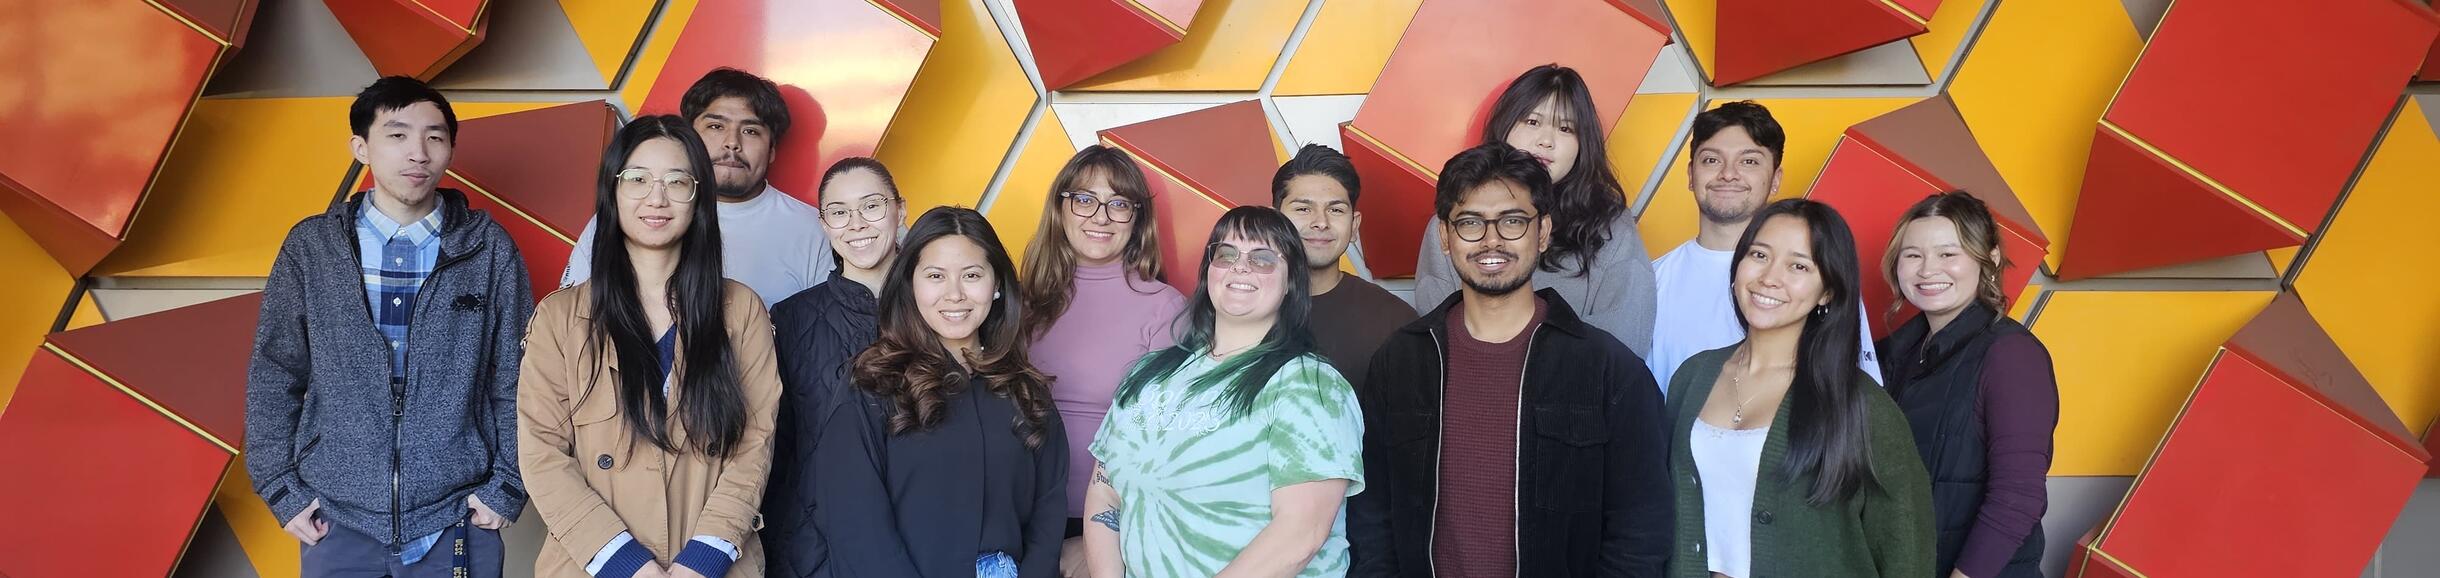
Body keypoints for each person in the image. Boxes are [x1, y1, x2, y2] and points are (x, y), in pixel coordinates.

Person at [245, 76, 531, 578]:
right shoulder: (313, 248)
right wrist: (281, 490)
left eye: (435, 137)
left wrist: (508, 485)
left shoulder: (489, 249)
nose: (418, 152)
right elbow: (275, 373)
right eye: (397, 135)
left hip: (458, 513)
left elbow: (519, 376)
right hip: (336, 515)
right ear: (361, 147)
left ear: (450, 149)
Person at [1351, 143, 1671, 577]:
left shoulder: (1609, 371)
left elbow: (1641, 530)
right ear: (1444, 237)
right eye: (1470, 223)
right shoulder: (1401, 361)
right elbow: (1372, 513)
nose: (1492, 240)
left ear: (1543, 232)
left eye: (1513, 221)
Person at [518, 115, 783, 578]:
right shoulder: (559, 317)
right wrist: (628, 566)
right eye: (638, 179)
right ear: (613, 191)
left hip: (712, 565)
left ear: (699, 197)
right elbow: (542, 454)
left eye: (677, 181)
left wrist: (701, 561)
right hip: (591, 565)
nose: (656, 198)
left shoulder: (741, 310)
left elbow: (755, 442)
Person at [1085, 206, 1365, 577]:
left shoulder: (1311, 386)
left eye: (1263, 259)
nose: (1240, 267)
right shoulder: (1149, 375)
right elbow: (1104, 493)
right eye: (1226, 254)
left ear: (1291, 282)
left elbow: (1300, 534)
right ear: (1208, 271)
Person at [1665, 198, 1933, 578]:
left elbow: (1906, 548)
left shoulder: (1862, 405)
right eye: (1759, 255)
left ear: (1827, 291)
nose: (1769, 277)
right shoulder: (1691, 376)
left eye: (1798, 266)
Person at [812, 206, 1068, 578]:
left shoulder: (1026, 391)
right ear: (910, 285)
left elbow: (1048, 513)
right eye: (935, 276)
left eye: (972, 275)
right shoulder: (873, 384)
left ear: (996, 284)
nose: (955, 294)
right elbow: (853, 520)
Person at [1410, 64, 1659, 358]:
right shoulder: (1455, 220)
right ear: (1504, 125)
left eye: (1565, 128)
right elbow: (1437, 333)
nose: (1546, 141)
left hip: (1580, 384)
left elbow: (1625, 341)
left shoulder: (1611, 227)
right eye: (1532, 122)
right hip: (1474, 378)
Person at [1016, 145, 1188, 569]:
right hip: (1017, 516)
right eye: (1085, 199)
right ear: (1060, 208)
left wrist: (1100, 538)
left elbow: (1167, 447)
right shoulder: (1020, 302)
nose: (1101, 217)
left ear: (1137, 219)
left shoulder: (1165, 308)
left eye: (1119, 204)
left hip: (1109, 523)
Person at [1875, 191, 2056, 578]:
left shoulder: (2011, 355)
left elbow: (2017, 497)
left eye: (1947, 254)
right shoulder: (1894, 355)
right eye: (1913, 255)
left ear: (1989, 258)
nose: (1928, 270)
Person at [1648, 101, 1883, 396]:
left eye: (1749, 161)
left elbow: (1861, 396)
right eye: (1711, 160)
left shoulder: (1816, 280)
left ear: (1775, 180)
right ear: (1690, 174)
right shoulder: (1650, 280)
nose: (1728, 174)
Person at [562, 67, 833, 308]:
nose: (732, 143)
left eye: (750, 131)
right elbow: (572, 318)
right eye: (716, 126)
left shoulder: (815, 229)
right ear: (689, 137)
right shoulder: (636, 215)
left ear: (772, 149)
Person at [762, 158, 907, 578]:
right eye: (839, 212)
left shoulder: (943, 308)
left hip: (921, 529)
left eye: (872, 206)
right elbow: (778, 445)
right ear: (824, 225)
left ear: (900, 210)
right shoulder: (792, 318)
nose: (856, 224)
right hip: (815, 542)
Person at [1271, 144, 1415, 390]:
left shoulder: (1394, 321)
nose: (1321, 222)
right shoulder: (1238, 306)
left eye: (1335, 210)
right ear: (1273, 220)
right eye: (1303, 209)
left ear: (1354, 226)